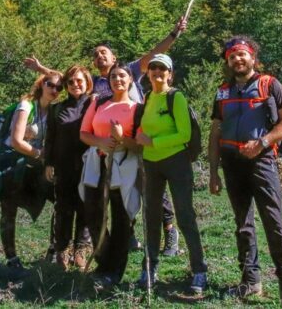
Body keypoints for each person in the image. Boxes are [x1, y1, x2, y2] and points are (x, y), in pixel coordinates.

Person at [24, 16, 188, 256]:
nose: (100, 56)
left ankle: (170, 233)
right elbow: (72, 78)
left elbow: (154, 54)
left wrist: (174, 34)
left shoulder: (128, 70)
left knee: (150, 189)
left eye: (104, 53)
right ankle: (126, 237)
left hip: (136, 139)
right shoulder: (96, 84)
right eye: (96, 54)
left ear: (114, 58)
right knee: (118, 193)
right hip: (106, 148)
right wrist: (42, 70)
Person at [208, 36, 282, 309]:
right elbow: (215, 132)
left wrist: (263, 142)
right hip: (231, 164)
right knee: (242, 223)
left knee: (274, 223)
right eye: (232, 56)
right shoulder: (222, 91)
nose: (237, 59)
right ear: (228, 62)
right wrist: (213, 172)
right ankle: (251, 281)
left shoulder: (270, 85)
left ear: (252, 57)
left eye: (242, 54)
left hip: (262, 162)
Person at [134, 53, 208, 293]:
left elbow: (184, 135)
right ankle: (149, 269)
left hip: (176, 162)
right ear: (148, 73)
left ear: (170, 74)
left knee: (185, 216)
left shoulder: (175, 97)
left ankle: (199, 270)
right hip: (151, 165)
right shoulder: (146, 98)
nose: (157, 72)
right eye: (153, 68)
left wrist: (152, 141)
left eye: (162, 69)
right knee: (151, 219)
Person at [79, 62, 141, 288]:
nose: (118, 80)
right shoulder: (98, 103)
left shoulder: (137, 108)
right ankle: (103, 262)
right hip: (97, 163)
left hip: (124, 165)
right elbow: (84, 133)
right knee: (93, 213)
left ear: (131, 80)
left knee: (122, 218)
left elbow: (140, 146)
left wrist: (121, 138)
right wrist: (102, 141)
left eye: (122, 76)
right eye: (114, 76)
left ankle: (114, 271)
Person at [0, 72, 63, 272]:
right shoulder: (26, 106)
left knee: (60, 200)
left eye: (59, 88)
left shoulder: (53, 110)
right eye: (51, 85)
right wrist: (41, 154)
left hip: (36, 165)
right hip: (13, 163)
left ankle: (54, 249)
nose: (55, 90)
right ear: (42, 84)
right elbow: (17, 141)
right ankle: (12, 259)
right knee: (9, 210)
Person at [43, 65, 94, 270]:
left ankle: (81, 249)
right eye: (71, 82)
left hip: (89, 166)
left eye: (79, 80)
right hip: (63, 167)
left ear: (87, 82)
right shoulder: (57, 108)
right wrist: (48, 163)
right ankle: (62, 249)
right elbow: (51, 138)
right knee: (63, 208)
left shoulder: (95, 104)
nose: (75, 85)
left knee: (85, 207)